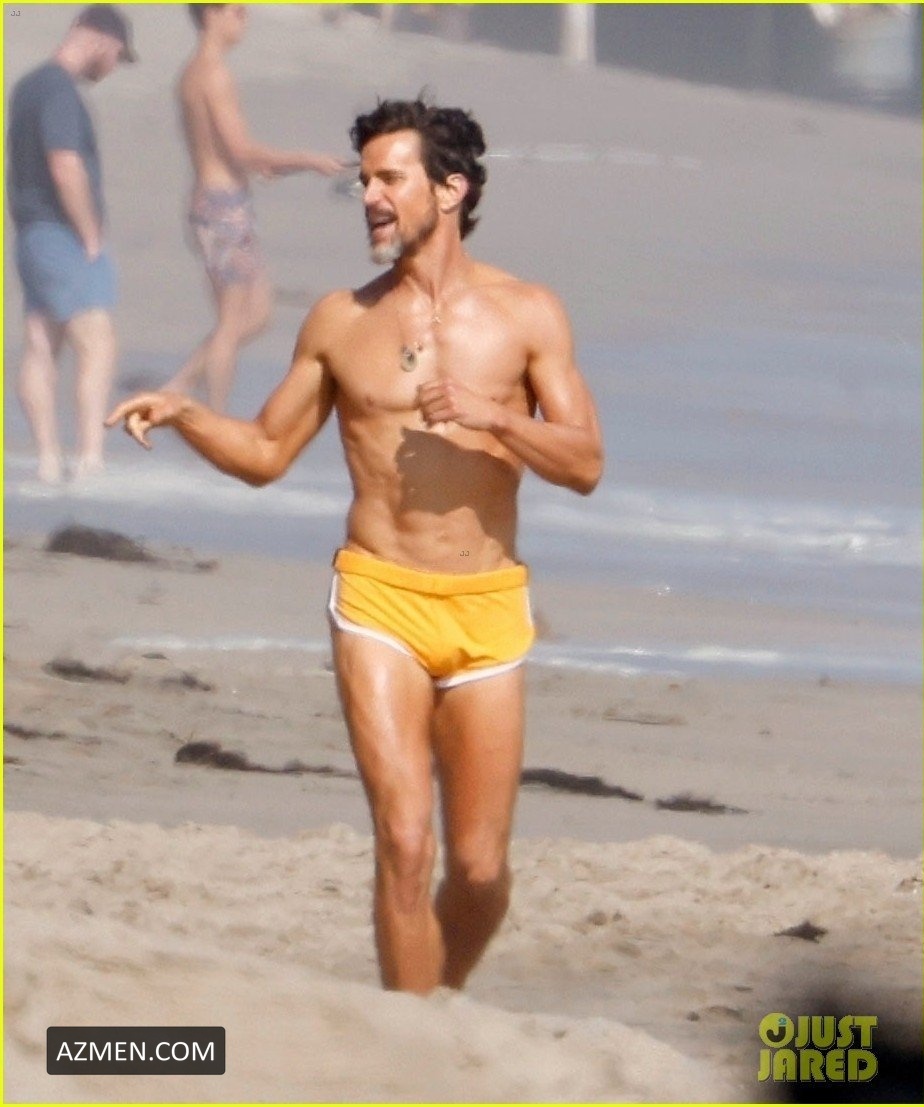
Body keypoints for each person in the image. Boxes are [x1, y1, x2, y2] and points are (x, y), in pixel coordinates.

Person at [107, 98, 604, 994]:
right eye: (364, 181)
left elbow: (586, 463)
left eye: (389, 179)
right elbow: (266, 453)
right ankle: (409, 1040)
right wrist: (187, 415)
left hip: (487, 606)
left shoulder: (527, 313)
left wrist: (494, 416)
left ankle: (431, 1004)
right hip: (378, 597)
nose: (370, 197)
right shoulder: (340, 320)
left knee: (480, 870)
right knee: (405, 841)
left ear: (450, 189)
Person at [163, 3, 346, 412]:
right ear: (212, 14)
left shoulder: (191, 72)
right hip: (222, 206)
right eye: (238, 12)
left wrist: (268, 166)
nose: (244, 20)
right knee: (230, 322)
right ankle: (213, 415)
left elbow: (224, 151)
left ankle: (178, 385)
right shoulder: (214, 73)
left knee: (259, 312)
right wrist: (308, 160)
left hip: (217, 200)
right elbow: (241, 150)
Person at [8, 4, 136, 484]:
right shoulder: (59, 91)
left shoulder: (28, 86)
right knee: (97, 339)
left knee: (41, 341)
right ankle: (89, 457)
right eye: (118, 56)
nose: (113, 67)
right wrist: (90, 233)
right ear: (103, 39)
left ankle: (47, 460)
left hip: (30, 232)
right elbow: (64, 163)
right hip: (60, 231)